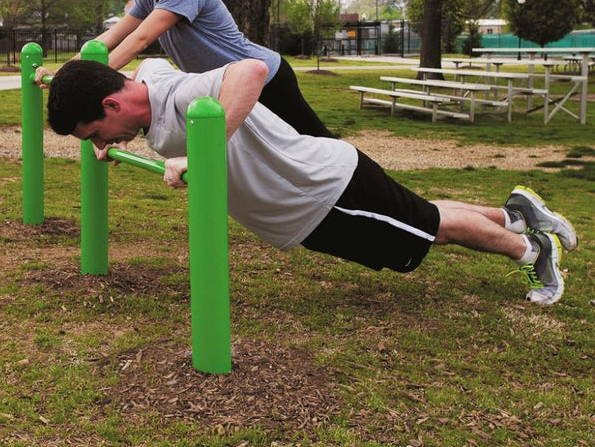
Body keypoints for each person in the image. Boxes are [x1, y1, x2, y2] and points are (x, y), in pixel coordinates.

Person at [47, 57, 578, 307]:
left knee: (431, 227)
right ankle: (516, 214)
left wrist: (201, 154)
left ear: (113, 102)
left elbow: (251, 72)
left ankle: (532, 251)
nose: (109, 141)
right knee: (418, 213)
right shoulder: (150, 80)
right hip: (317, 196)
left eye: (101, 129)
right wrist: (129, 146)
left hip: (322, 193)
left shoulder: (181, 97)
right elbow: (148, 70)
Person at [36, 0, 334, 138]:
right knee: (278, 154)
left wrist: (80, 85)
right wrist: (63, 72)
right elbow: (108, 40)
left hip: (267, 79)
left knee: (316, 142)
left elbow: (139, 40)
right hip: (230, 84)